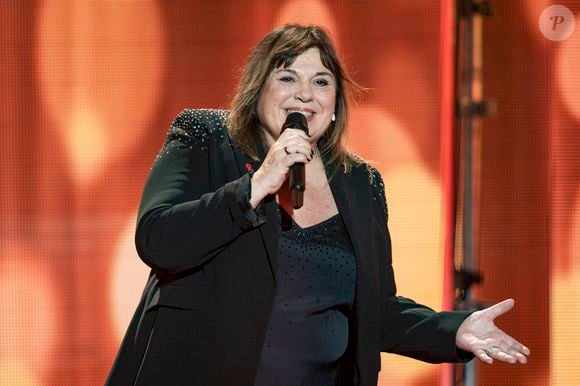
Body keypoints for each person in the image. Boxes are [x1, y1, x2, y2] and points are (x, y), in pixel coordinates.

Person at [106, 24, 529, 386]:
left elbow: (375, 310)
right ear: (258, 89)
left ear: (336, 103)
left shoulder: (361, 183)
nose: (305, 94)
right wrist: (254, 186)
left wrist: (454, 330)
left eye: (322, 81)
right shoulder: (206, 137)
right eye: (288, 77)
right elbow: (159, 240)